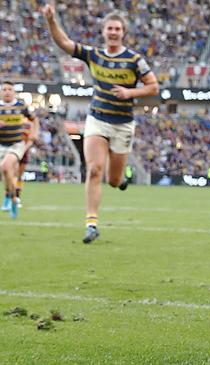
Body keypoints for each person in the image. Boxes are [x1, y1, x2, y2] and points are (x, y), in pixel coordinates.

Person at [42, 4, 159, 243]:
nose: (113, 32)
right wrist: (51, 21)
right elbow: (65, 44)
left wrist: (130, 93)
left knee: (113, 180)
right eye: (109, 28)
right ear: (103, 31)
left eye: (117, 28)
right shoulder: (94, 54)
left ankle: (119, 180)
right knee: (94, 170)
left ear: (123, 32)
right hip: (97, 119)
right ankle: (91, 224)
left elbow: (153, 87)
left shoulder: (135, 60)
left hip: (123, 124)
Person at [0, 81, 39, 219]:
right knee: (6, 172)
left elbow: (34, 120)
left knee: (6, 167)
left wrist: (35, 133)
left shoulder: (21, 105)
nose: (7, 91)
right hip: (1, 145)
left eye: (9, 89)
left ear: (14, 92)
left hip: (17, 144)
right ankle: (12, 197)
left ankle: (11, 197)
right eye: (4, 89)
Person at [15, 108, 41, 208]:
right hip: (15, 149)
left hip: (23, 151)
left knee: (18, 175)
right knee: (14, 174)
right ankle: (12, 196)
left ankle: (16, 196)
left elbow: (31, 138)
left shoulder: (29, 122)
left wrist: (24, 148)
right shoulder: (15, 120)